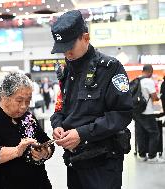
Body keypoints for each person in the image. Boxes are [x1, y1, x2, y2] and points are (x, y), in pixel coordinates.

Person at [50, 10, 133, 189]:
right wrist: (57, 125)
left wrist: (82, 133)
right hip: (74, 161)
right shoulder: (65, 73)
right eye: (62, 48)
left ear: (85, 38)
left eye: (70, 46)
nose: (66, 52)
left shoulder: (110, 69)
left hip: (102, 163)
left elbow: (122, 114)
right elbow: (60, 108)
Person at [0, 72, 54, 189]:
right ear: (4, 96)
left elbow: (45, 139)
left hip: (38, 182)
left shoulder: (28, 117)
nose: (24, 106)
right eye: (19, 101)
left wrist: (44, 151)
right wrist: (17, 151)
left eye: (28, 100)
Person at [134, 64, 165, 163]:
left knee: (140, 134)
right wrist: (158, 97)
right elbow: (154, 97)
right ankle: (152, 157)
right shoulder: (148, 81)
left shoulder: (137, 80)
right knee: (154, 133)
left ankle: (142, 156)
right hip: (147, 112)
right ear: (150, 71)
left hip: (136, 112)